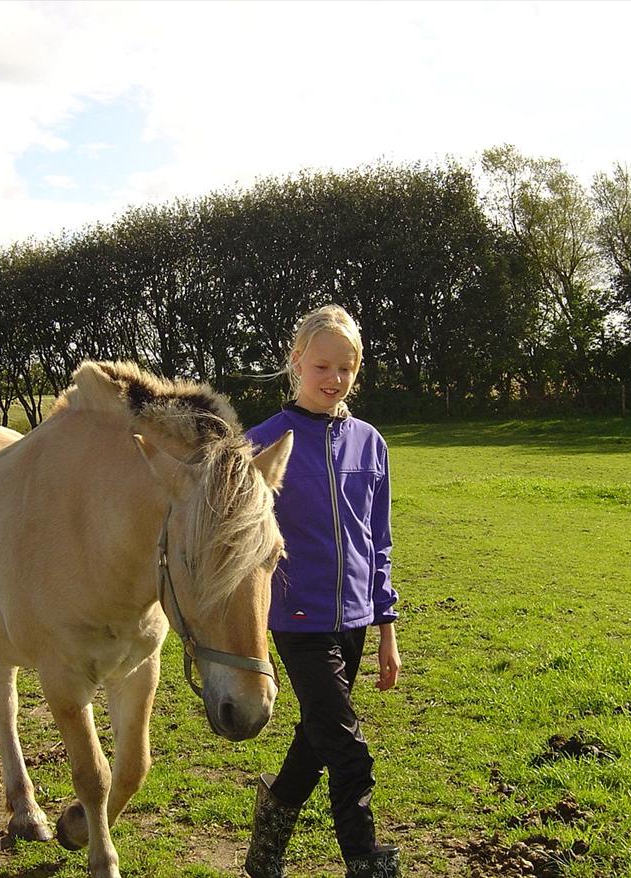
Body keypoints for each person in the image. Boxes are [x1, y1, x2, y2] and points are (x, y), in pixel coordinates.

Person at [244, 304, 402, 878]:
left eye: (346, 368)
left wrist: (388, 631)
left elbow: (378, 542)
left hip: (356, 617)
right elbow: (238, 552)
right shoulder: (260, 445)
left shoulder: (369, 443)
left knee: (316, 742)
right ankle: (365, 860)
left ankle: (265, 843)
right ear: (296, 363)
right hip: (295, 619)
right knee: (348, 751)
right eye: (322, 367)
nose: (334, 379)